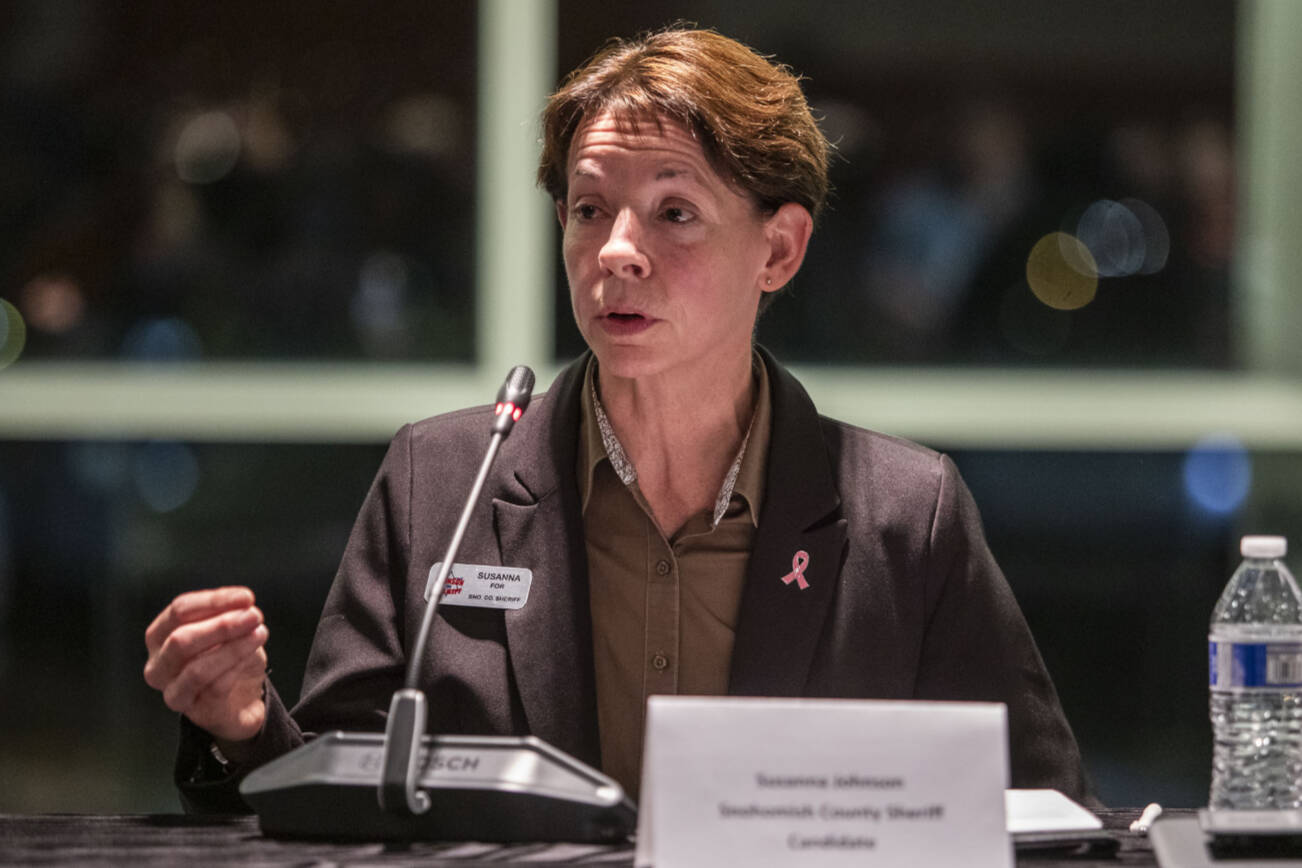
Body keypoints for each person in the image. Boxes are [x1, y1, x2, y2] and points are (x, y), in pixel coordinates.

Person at [144, 26, 1092, 812]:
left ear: (780, 249)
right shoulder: (442, 478)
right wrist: (244, 722)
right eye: (590, 209)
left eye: (674, 212)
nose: (618, 252)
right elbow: (344, 787)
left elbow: (1041, 809)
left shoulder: (905, 513)